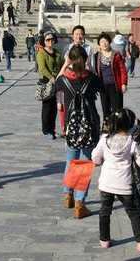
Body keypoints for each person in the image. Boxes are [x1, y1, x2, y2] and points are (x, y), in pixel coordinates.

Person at [55, 45, 102, 219]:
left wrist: (65, 64)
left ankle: (68, 195)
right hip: (89, 127)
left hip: (70, 126)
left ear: (70, 60)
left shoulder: (63, 80)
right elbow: (102, 90)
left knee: (71, 160)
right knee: (85, 163)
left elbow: (57, 95)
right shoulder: (91, 78)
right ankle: (79, 202)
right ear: (85, 59)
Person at [92, 109, 140, 253]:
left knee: (104, 211)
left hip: (106, 183)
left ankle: (104, 240)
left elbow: (95, 158)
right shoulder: (132, 141)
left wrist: (101, 160)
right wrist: (139, 156)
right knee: (133, 213)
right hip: (125, 184)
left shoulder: (104, 139)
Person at [90, 33, 128, 120]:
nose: (104, 43)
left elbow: (123, 70)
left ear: (109, 42)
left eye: (106, 41)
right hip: (103, 87)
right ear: (99, 44)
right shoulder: (97, 56)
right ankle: (107, 126)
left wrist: (124, 83)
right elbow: (93, 69)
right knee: (105, 109)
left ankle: (118, 126)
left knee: (117, 108)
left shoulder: (116, 55)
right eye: (102, 42)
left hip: (115, 86)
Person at [36, 31, 63, 139]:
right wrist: (51, 77)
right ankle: (46, 130)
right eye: (47, 40)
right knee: (47, 108)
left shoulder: (57, 52)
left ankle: (52, 129)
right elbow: (42, 68)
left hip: (57, 82)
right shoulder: (41, 53)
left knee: (54, 108)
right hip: (47, 83)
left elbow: (62, 64)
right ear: (44, 41)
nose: (50, 41)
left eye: (52, 39)